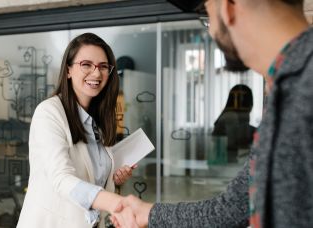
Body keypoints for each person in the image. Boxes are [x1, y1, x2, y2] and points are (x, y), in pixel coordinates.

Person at [112, 0, 313, 227]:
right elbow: (229, 211)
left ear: (227, 8)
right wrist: (147, 213)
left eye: (207, 17)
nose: (212, 32)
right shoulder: (285, 89)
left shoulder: (303, 83)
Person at [17, 33, 136, 228]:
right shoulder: (49, 112)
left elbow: (90, 177)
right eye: (86, 64)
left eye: (103, 66)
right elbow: (62, 178)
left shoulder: (96, 121)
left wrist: (112, 178)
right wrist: (118, 204)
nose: (96, 74)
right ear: (68, 70)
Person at [212, 84, 256, 163]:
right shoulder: (230, 117)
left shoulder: (227, 117)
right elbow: (235, 143)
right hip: (226, 164)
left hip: (230, 164)